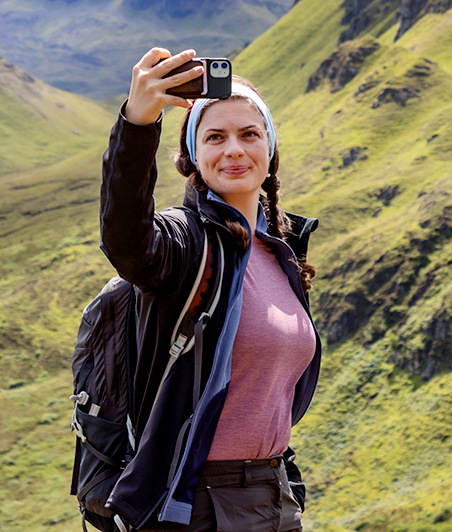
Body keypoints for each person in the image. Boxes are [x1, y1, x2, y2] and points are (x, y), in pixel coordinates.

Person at [98, 47, 322, 531]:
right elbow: (127, 241)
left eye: (249, 134)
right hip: (196, 504)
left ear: (270, 149)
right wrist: (138, 122)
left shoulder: (280, 250)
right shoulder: (185, 244)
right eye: (215, 137)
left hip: (274, 494)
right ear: (194, 157)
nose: (234, 149)